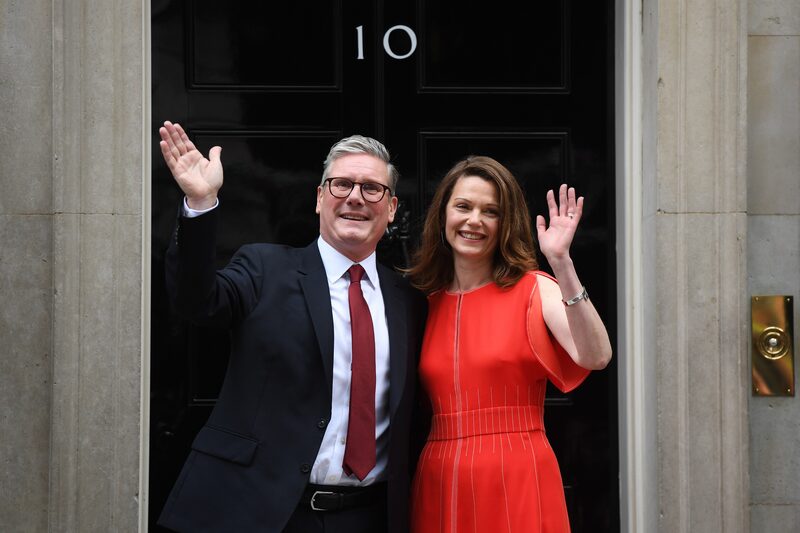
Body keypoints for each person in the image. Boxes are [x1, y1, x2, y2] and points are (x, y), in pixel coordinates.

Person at [156, 121, 426, 533]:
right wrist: (201, 203)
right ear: (319, 198)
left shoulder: (410, 302)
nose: (355, 197)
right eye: (341, 185)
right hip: (260, 511)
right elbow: (196, 302)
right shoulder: (264, 268)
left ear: (390, 209)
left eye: (372, 188)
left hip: (367, 515)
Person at [405, 156, 612, 532]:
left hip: (516, 470)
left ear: (506, 223)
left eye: (491, 211)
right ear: (443, 215)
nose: (474, 220)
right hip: (439, 475)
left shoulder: (534, 288)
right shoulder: (423, 304)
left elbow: (596, 356)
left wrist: (561, 263)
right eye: (463, 206)